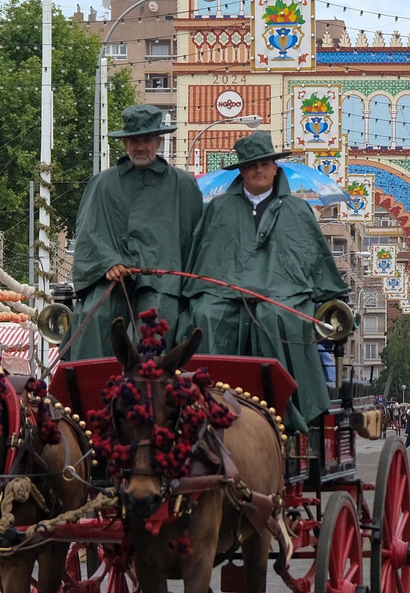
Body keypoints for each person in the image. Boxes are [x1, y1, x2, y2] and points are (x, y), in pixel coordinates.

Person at [184, 131, 347, 435]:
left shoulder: (297, 209)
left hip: (283, 295)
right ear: (241, 171)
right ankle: (204, 403)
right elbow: (205, 258)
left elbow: (312, 258)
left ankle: (289, 411)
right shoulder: (219, 208)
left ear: (275, 167)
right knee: (206, 314)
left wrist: (333, 297)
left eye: (264, 163)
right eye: (251, 165)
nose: (258, 170)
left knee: (276, 316)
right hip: (225, 292)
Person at [66, 103, 204, 360]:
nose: (140, 146)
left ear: (159, 141)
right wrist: (108, 262)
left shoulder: (183, 184)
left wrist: (176, 276)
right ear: (125, 143)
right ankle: (90, 382)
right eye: (134, 140)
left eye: (147, 139)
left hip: (162, 280)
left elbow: (194, 239)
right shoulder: (102, 183)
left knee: (157, 319)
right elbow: (88, 232)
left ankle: (155, 381)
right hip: (111, 278)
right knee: (96, 316)